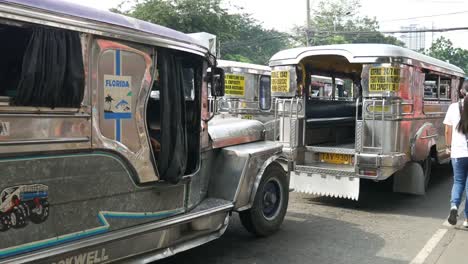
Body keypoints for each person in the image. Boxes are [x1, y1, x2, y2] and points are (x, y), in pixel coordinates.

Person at [444, 80, 468, 226]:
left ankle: (454, 207)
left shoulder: (453, 107)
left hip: (458, 152)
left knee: (458, 181)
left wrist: (448, 146)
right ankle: (467, 219)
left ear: (461, 92)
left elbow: (447, 130)